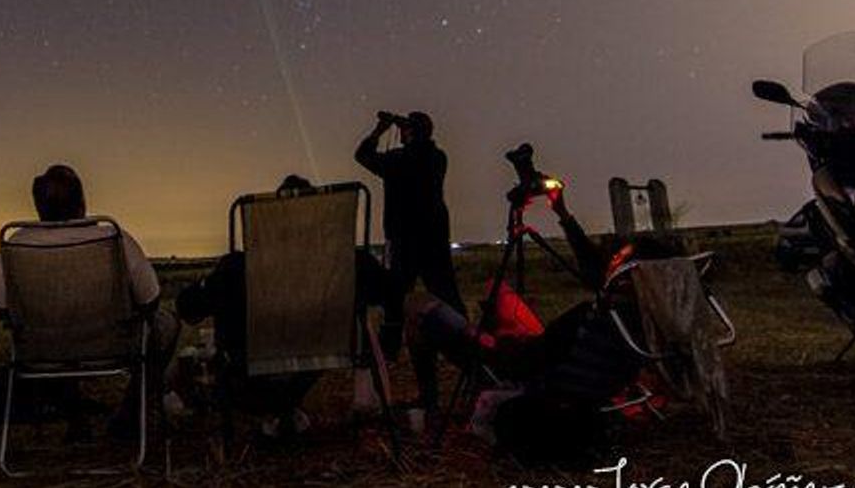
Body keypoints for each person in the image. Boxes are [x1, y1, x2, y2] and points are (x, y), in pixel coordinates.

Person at [406, 184, 674, 463]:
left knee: (418, 305)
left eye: (619, 260)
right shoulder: (638, 317)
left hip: (521, 372)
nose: (611, 262)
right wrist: (562, 211)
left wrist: (491, 341)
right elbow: (589, 263)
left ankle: (428, 403)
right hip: (565, 377)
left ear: (630, 277)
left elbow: (527, 361)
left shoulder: (591, 317)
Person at [175, 175, 396, 437]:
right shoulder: (348, 263)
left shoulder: (236, 268)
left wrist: (200, 286)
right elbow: (390, 293)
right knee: (360, 326)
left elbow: (189, 310)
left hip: (253, 363)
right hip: (318, 354)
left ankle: (276, 409)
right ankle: (360, 400)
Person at [0, 164, 178, 440]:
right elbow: (150, 300)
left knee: (54, 329)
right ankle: (128, 416)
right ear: (82, 202)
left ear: (38, 206)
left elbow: (3, 310)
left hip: (42, 351)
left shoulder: (14, 246)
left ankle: (76, 420)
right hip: (112, 344)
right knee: (166, 324)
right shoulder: (114, 238)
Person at [354, 110, 462, 355]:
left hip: (404, 239)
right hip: (434, 237)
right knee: (445, 291)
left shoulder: (397, 160)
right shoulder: (438, 157)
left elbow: (362, 155)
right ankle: (464, 340)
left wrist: (380, 130)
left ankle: (390, 347)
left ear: (410, 132)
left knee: (397, 296)